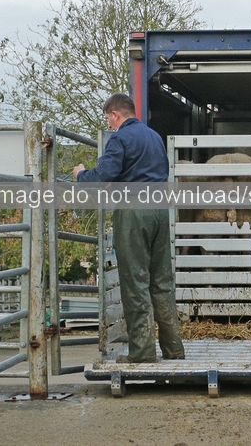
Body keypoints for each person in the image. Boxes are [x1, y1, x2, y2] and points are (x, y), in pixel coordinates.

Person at [73, 93, 185, 363]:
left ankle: (142, 352)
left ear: (115, 114)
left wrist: (81, 175)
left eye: (108, 119)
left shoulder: (120, 138)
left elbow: (102, 176)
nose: (109, 125)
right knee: (162, 282)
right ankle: (173, 349)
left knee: (136, 282)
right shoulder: (155, 137)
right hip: (159, 210)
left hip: (134, 211)